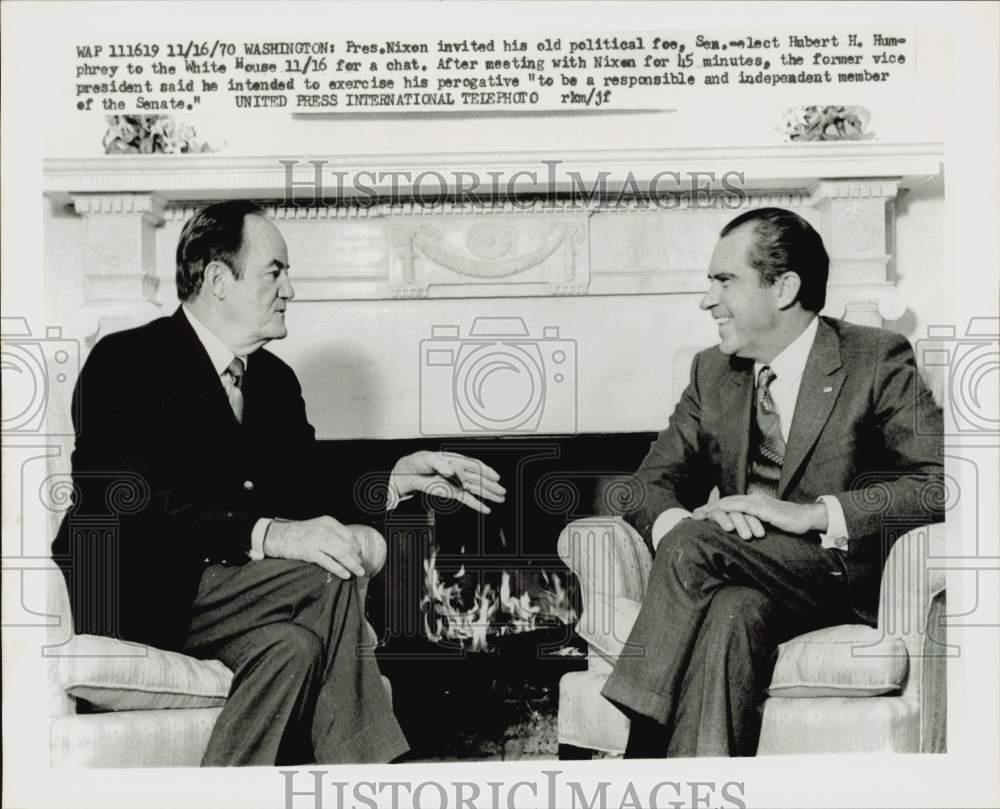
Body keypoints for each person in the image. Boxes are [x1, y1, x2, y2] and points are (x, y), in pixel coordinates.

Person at [51, 200, 505, 766]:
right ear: (218, 279)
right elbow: (127, 496)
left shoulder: (273, 380)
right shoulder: (126, 360)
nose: (290, 289)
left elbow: (309, 484)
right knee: (325, 573)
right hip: (137, 592)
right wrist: (273, 535)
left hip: (233, 601)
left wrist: (398, 473)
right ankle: (380, 779)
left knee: (294, 648)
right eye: (275, 271)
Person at [601, 207, 944, 757]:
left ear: (783, 287)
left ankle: (639, 753)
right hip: (744, 572)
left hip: (837, 575)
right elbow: (641, 486)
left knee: (694, 544)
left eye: (724, 280)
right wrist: (676, 528)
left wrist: (816, 513)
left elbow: (945, 481)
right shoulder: (713, 373)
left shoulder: (874, 359)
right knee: (732, 615)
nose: (706, 300)